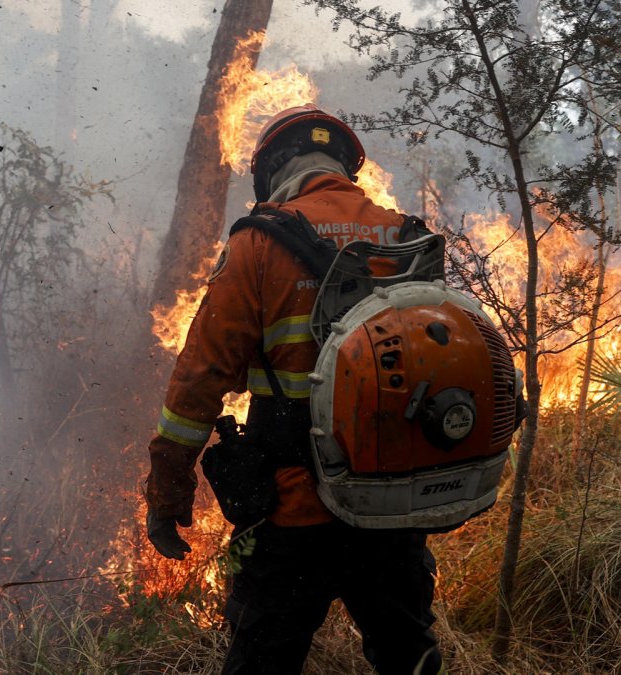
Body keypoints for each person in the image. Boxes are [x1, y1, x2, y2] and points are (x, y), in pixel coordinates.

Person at [144, 104, 442, 675]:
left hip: (295, 512)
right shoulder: (407, 239)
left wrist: (167, 491)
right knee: (410, 657)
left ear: (273, 169)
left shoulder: (258, 244)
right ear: (344, 166)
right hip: (391, 509)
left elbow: (200, 381)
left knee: (263, 661)